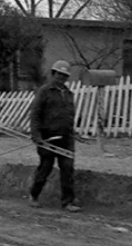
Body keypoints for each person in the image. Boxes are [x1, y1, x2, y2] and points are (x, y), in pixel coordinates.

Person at [28, 59, 80, 212]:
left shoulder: (69, 94)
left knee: (68, 169)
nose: (61, 78)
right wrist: (36, 135)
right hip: (47, 138)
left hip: (66, 138)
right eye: (59, 74)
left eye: (64, 75)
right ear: (53, 74)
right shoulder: (44, 91)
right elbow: (35, 114)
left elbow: (69, 115)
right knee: (45, 168)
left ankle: (67, 202)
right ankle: (34, 195)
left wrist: (72, 132)